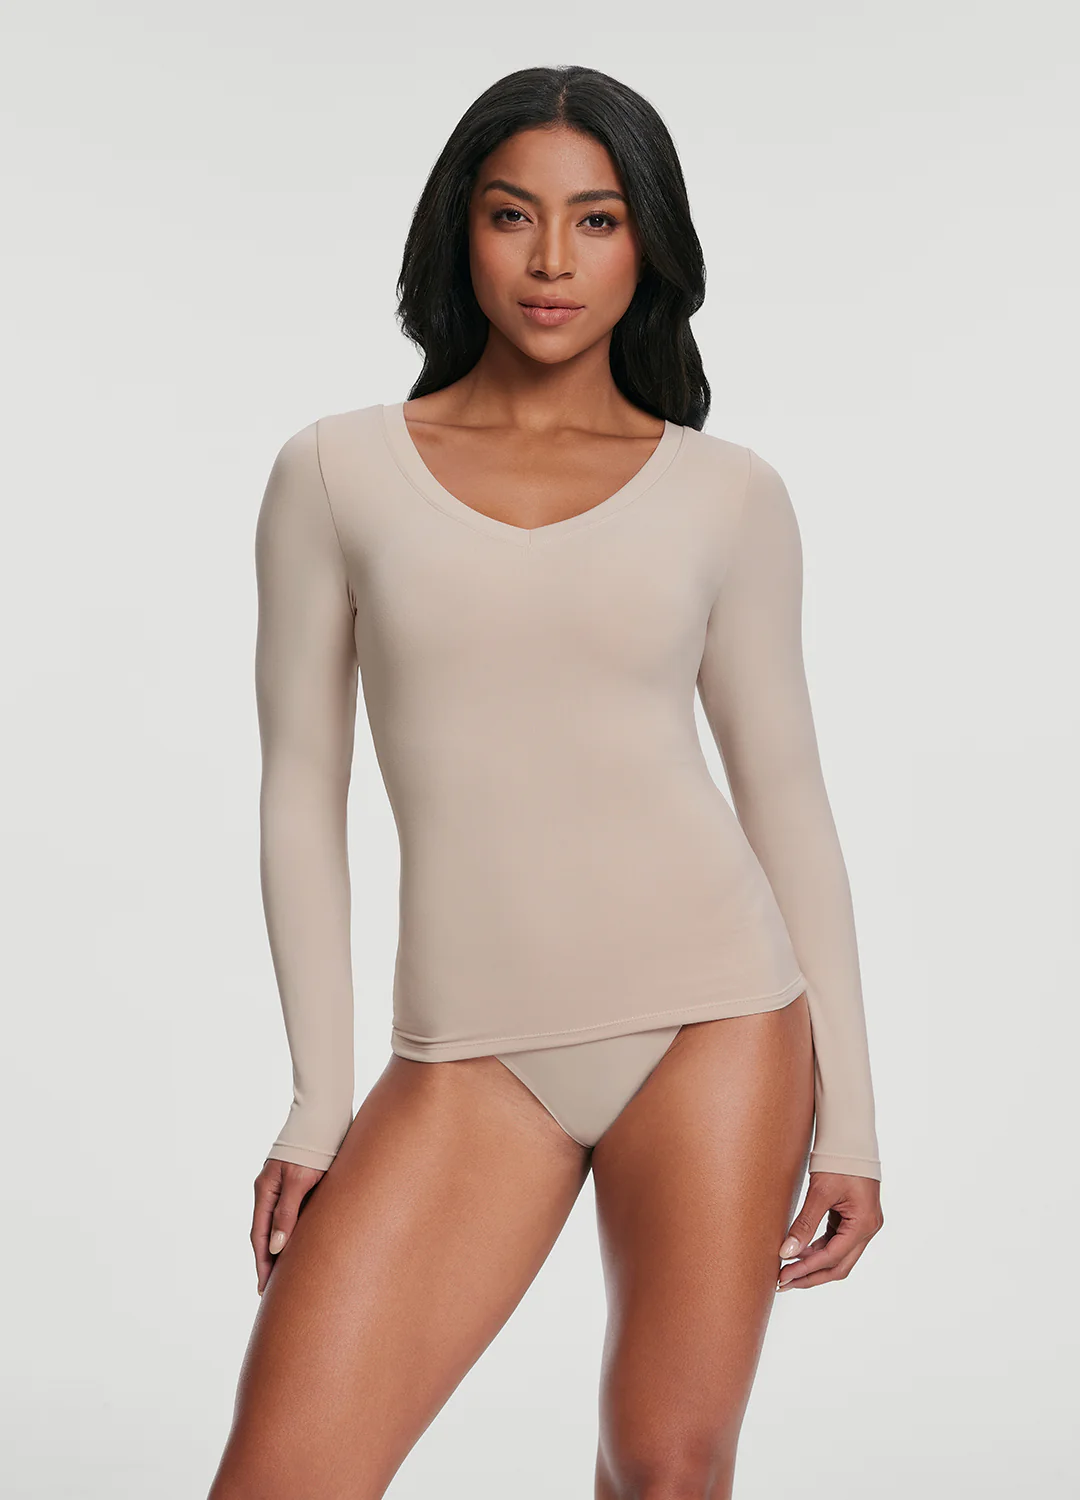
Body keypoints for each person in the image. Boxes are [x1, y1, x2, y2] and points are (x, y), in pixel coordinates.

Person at [208, 63, 884, 1500]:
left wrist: (857, 1123)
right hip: (468, 1059)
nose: (554, 260)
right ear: (461, 228)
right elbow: (299, 797)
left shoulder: (727, 493)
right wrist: (317, 1102)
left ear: (650, 245)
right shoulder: (334, 474)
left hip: (716, 1018)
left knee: (663, 1470)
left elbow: (788, 802)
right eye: (515, 215)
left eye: (598, 218)